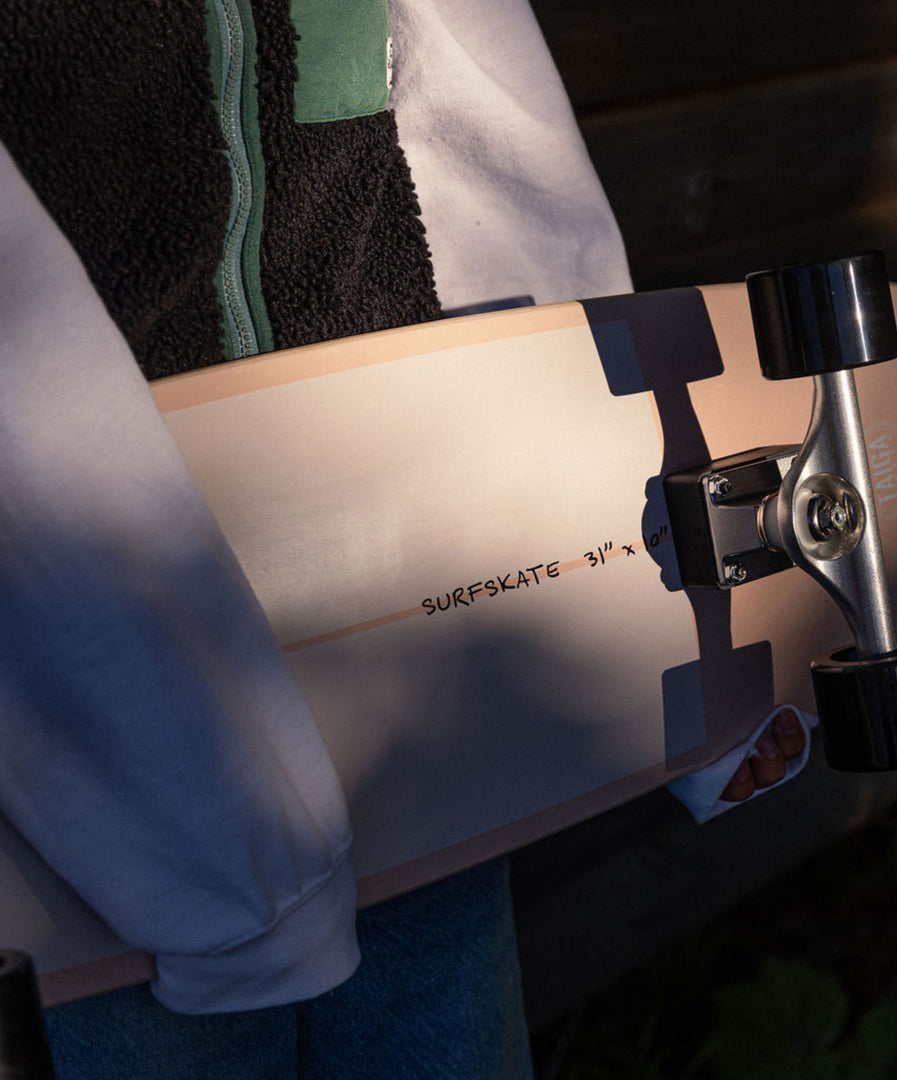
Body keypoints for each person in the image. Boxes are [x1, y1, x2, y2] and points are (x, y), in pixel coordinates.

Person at [0, 2, 806, 1075]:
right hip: (101, 781)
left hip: (410, 689)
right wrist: (205, 847)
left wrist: (657, 652)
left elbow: (499, 188)